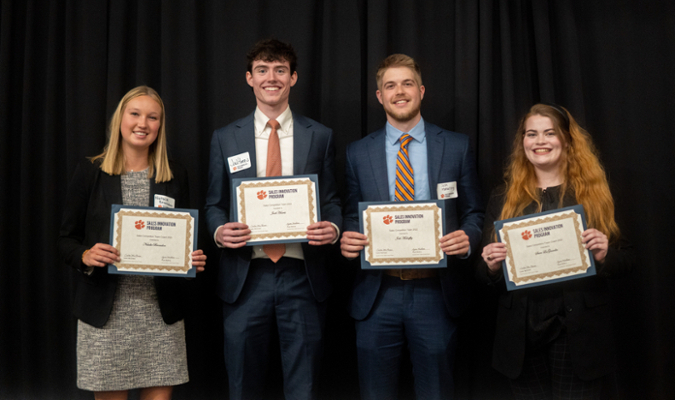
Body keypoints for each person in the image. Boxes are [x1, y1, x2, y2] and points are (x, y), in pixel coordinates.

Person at [340, 54, 484, 399]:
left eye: (407, 83)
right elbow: (349, 214)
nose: (399, 91)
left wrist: (469, 238)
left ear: (421, 91)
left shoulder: (456, 146)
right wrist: (346, 239)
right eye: (390, 85)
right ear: (379, 96)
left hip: (435, 293)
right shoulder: (357, 153)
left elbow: (475, 213)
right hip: (378, 294)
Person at [204, 39, 341, 400]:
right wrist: (219, 231)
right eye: (262, 70)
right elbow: (213, 204)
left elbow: (331, 201)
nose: (272, 78)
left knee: (304, 386)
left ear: (293, 78)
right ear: (249, 78)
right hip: (245, 278)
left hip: (303, 275)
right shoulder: (225, 139)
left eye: (280, 70)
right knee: (242, 384)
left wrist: (335, 227)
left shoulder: (320, 137)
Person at [58, 85, 206, 400]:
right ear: (120, 119)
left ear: (160, 126)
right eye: (135, 114)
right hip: (104, 316)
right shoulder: (91, 171)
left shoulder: (175, 174)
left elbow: (184, 238)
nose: (143, 123)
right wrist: (85, 255)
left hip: (159, 313)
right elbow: (65, 240)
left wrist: (190, 258)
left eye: (153, 117)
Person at [477, 103, 635, 399]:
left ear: (566, 139)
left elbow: (627, 258)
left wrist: (604, 255)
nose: (539, 142)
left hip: (577, 331)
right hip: (521, 333)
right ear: (522, 141)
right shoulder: (503, 196)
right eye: (531, 134)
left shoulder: (594, 193)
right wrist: (491, 266)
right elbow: (483, 273)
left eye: (549, 133)